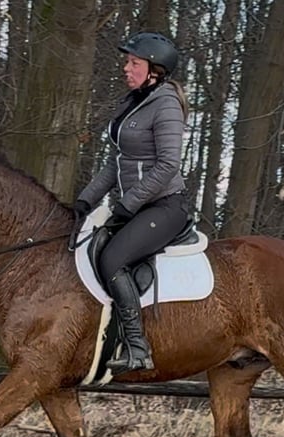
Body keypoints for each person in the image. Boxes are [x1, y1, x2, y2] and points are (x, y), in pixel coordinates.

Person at [70, 32, 190, 375]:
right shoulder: (133, 102)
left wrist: (129, 203)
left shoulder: (165, 104)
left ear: (155, 70)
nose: (126, 68)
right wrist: (84, 201)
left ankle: (138, 348)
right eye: (127, 62)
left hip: (165, 206)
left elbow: (168, 164)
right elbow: (116, 161)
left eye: (133, 63)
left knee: (112, 259)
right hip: (136, 206)